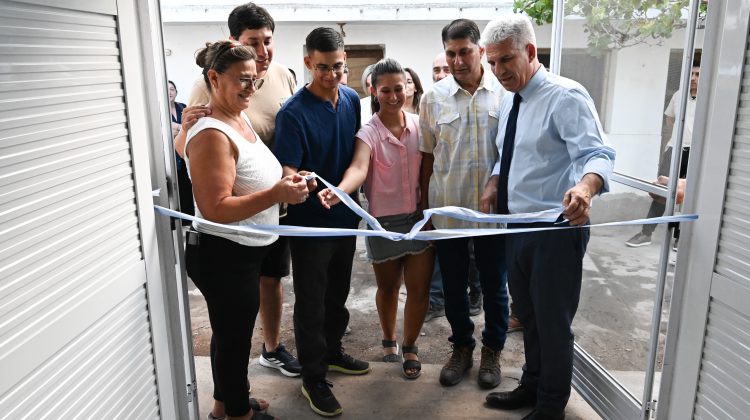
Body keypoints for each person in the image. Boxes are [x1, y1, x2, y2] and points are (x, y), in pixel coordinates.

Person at [479, 15, 615, 419]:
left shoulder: (565, 96)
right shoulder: (510, 102)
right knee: (529, 315)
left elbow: (597, 154)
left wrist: (585, 188)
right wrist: (494, 181)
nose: (499, 71)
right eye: (493, 63)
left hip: (556, 229)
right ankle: (532, 386)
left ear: (530, 52)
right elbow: (510, 154)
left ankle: (552, 404)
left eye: (506, 60)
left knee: (553, 322)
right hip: (517, 227)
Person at [183, 40, 310, 420]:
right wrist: (276, 192)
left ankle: (225, 406)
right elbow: (216, 208)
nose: (249, 89)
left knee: (230, 336)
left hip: (244, 250)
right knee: (235, 341)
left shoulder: (236, 119)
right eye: (240, 80)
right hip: (225, 254)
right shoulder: (211, 133)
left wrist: (284, 183)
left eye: (254, 81)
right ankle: (240, 414)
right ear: (214, 78)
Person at [318, 58, 435, 380]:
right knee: (387, 287)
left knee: (419, 288)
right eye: (386, 90)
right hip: (382, 222)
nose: (394, 96)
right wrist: (340, 191)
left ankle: (410, 346)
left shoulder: (420, 126)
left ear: (408, 88)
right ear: (373, 91)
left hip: (419, 220)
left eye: (400, 88)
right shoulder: (367, 133)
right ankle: (389, 340)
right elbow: (358, 168)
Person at [273, 27, 370, 417]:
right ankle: (313, 378)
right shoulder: (292, 113)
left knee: (338, 294)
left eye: (339, 67)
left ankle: (331, 352)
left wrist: (342, 192)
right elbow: (288, 170)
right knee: (311, 302)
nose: (332, 76)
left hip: (346, 218)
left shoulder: (349, 99)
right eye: (324, 68)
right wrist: (302, 181)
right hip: (310, 224)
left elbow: (356, 158)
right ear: (308, 63)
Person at [419, 18, 509, 390]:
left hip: (493, 214)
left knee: (494, 286)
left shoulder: (505, 95)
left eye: (465, 52)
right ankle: (461, 348)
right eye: (451, 53)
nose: (457, 60)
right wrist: (426, 210)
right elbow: (427, 157)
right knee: (453, 286)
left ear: (481, 51)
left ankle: (493, 351)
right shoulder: (432, 98)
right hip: (450, 210)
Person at [626, 63, 699, 248]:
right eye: (690, 74)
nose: (693, 78)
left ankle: (680, 239)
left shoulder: (708, 97)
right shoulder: (678, 95)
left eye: (697, 74)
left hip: (696, 153)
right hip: (674, 149)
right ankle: (646, 233)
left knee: (689, 196)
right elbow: (670, 119)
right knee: (661, 193)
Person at [168, 80, 194, 221]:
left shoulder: (183, 107)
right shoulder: (160, 111)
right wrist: (181, 127)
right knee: (174, 188)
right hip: (171, 157)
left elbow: (190, 126)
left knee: (187, 187)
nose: (170, 92)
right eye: (167, 89)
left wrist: (177, 128)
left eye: (172, 89)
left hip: (185, 153)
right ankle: (176, 220)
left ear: (176, 92)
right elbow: (166, 129)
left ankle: (189, 218)